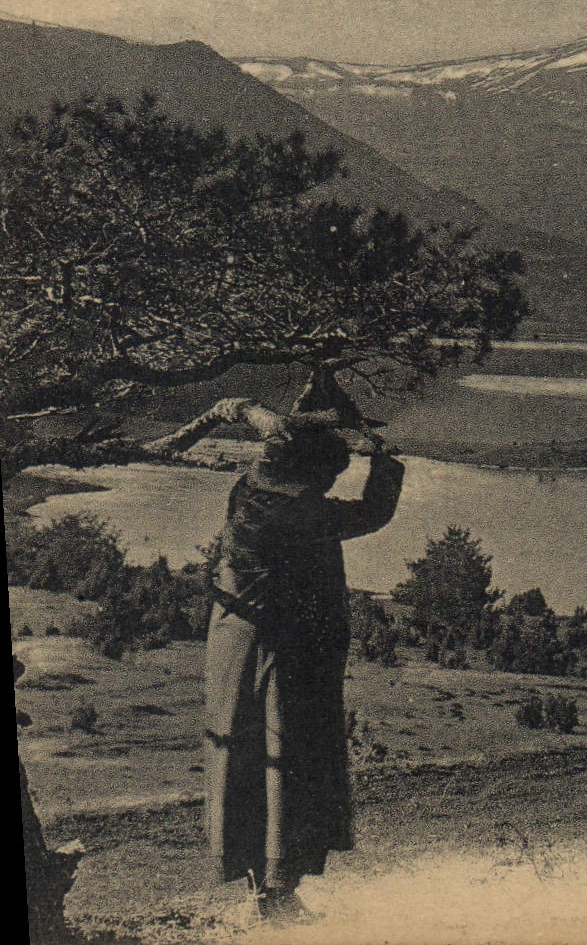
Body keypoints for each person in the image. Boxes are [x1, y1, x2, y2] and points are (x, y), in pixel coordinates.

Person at [151, 374, 404, 922]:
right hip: (285, 656)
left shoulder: (249, 491)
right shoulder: (308, 512)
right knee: (287, 759)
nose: (330, 482)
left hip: (236, 647)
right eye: (330, 473)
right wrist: (379, 455)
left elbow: (262, 427)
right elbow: (375, 511)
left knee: (243, 758)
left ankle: (260, 886)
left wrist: (267, 406)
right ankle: (275, 893)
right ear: (316, 472)